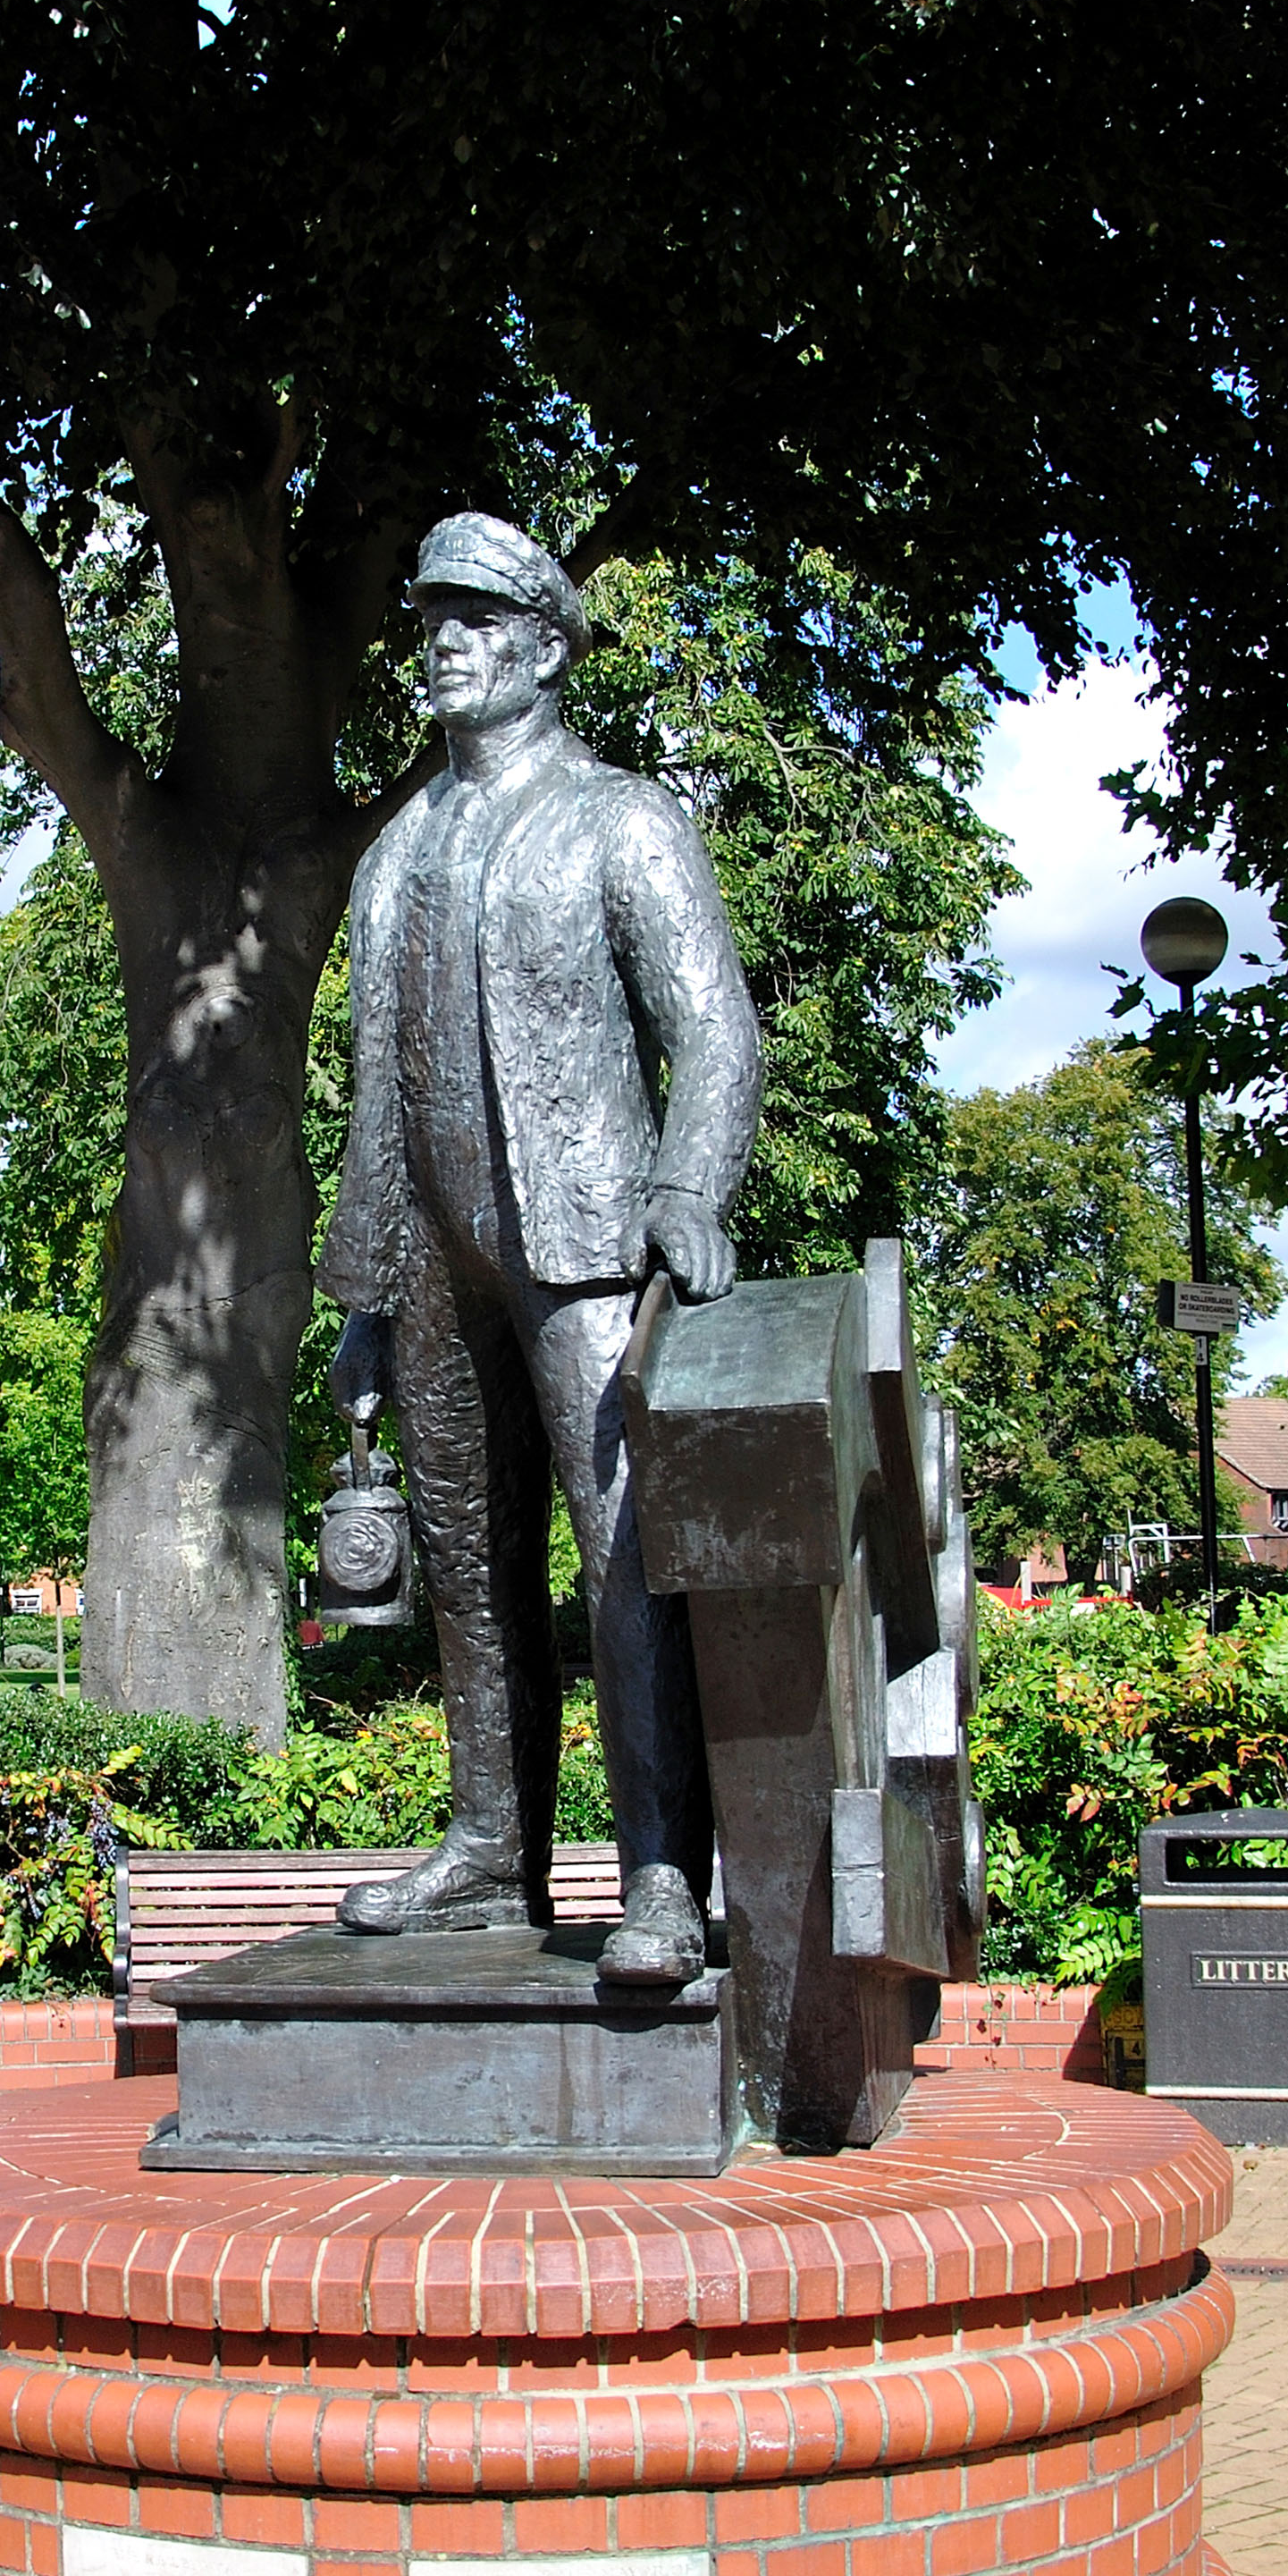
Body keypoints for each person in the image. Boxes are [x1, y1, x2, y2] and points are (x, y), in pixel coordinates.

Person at [316, 511, 761, 1988]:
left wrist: (689, 1189)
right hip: (433, 1259)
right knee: (467, 1567)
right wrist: (366, 1296)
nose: (443, 639)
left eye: (479, 618)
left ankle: (658, 1876)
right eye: (431, 616)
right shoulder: (391, 855)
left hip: (582, 1245)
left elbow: (712, 1029)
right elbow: (373, 1088)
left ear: (549, 645)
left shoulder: (622, 816)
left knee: (631, 1557)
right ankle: (492, 1855)